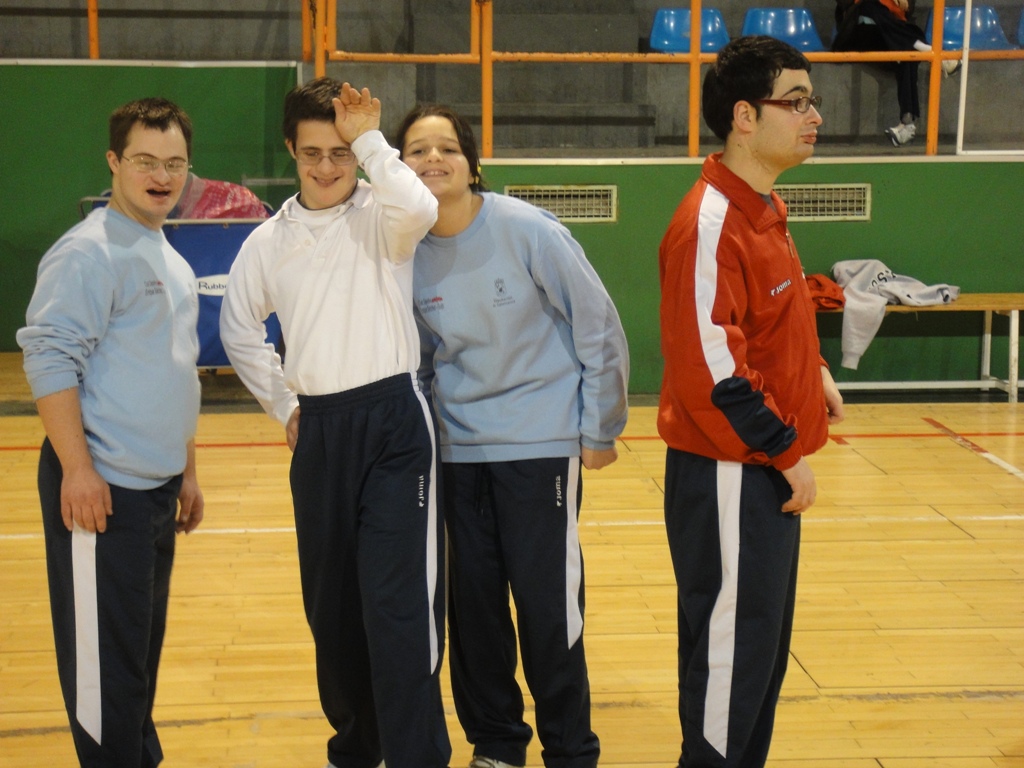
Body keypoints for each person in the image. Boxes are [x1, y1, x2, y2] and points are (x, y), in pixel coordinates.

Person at [218, 78, 450, 768]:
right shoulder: (268, 241)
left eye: (339, 153)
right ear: (291, 151)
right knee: (333, 606)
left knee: (396, 602)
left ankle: (416, 755)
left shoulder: (386, 215)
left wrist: (372, 139)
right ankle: (357, 748)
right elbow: (237, 330)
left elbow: (423, 201)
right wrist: (286, 406)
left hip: (394, 424)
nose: (326, 167)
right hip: (319, 430)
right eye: (312, 153)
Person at [395, 104, 630, 768]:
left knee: (549, 611)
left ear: (474, 164)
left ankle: (569, 749)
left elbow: (599, 328)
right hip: (457, 457)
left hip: (542, 452)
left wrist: (600, 426)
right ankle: (497, 745)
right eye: (417, 150)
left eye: (447, 148)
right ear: (397, 167)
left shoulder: (529, 230)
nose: (433, 159)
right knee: (473, 615)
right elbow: (416, 359)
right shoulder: (404, 255)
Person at [657, 36, 845, 767]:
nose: (813, 115)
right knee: (731, 661)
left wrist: (814, 370)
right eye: (793, 101)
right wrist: (786, 452)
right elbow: (712, 375)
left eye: (812, 100)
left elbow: (768, 322)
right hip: (733, 475)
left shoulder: (765, 204)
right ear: (743, 116)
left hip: (759, 472)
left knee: (757, 654)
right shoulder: (710, 223)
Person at [16, 97, 204, 767]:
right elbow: (49, 357)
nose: (162, 175)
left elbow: (174, 370)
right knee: (104, 674)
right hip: (103, 490)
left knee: (134, 658)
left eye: (175, 163)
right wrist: (77, 470)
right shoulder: (89, 253)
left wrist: (185, 469)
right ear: (114, 163)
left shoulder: (164, 253)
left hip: (155, 491)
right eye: (147, 161)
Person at [832, 0, 960, 147]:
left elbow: (908, 8)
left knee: (908, 53)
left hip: (892, 36)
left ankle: (907, 124)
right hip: (860, 32)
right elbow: (844, 3)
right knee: (869, 5)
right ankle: (934, 54)